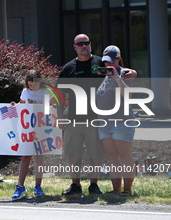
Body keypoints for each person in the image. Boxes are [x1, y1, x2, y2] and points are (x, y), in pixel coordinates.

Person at [57, 34, 137, 196]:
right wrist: (59, 116)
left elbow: (119, 71)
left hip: (97, 118)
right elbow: (59, 95)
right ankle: (75, 185)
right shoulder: (68, 68)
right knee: (73, 153)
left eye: (86, 43)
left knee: (97, 154)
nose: (84, 46)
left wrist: (133, 72)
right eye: (80, 44)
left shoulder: (100, 63)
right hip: (74, 117)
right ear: (75, 47)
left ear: (90, 44)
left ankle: (95, 184)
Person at [96, 45, 136, 196]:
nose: (108, 65)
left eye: (111, 61)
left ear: (118, 59)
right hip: (104, 122)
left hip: (122, 121)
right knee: (112, 156)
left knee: (125, 155)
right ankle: (116, 189)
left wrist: (117, 77)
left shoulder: (126, 74)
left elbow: (128, 95)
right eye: (106, 62)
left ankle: (127, 190)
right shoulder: (105, 75)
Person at [11, 70, 57, 200]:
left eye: (34, 85)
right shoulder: (25, 92)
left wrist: (41, 106)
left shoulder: (46, 92)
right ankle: (20, 186)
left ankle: (38, 185)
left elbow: (54, 106)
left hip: (42, 128)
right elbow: (22, 105)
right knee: (25, 156)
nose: (32, 87)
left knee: (39, 157)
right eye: (30, 85)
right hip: (28, 129)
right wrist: (15, 105)